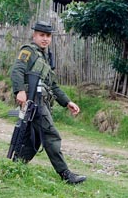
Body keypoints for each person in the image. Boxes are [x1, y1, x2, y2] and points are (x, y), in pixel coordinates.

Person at [10, 20, 86, 184]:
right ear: (34, 35)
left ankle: (15, 166)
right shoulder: (28, 51)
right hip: (33, 101)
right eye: (41, 35)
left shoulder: (45, 57)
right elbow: (17, 70)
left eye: (48, 36)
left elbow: (53, 85)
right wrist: (19, 91)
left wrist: (67, 102)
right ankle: (66, 174)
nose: (45, 39)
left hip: (42, 101)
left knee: (34, 139)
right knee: (51, 134)